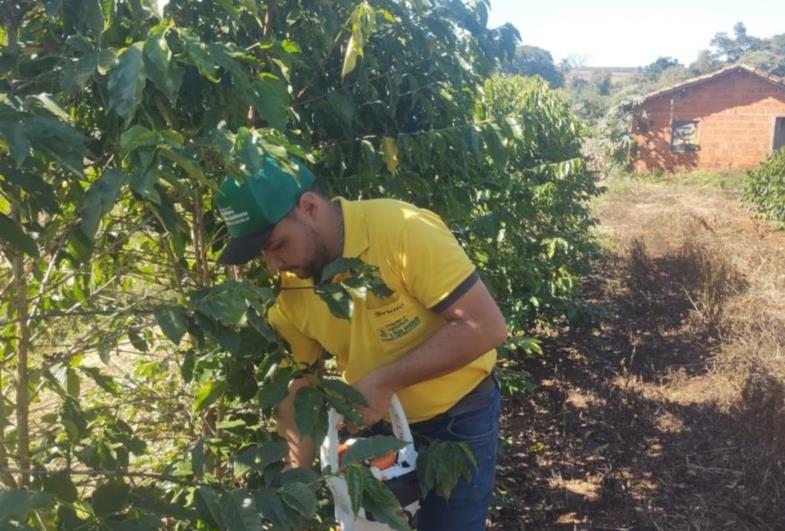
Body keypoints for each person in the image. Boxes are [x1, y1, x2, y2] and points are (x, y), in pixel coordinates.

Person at [215, 155, 507, 530]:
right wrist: (293, 485)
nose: (273, 264)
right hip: (377, 431)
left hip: (458, 419)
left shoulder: (402, 232)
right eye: (264, 254)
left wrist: (383, 382)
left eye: (277, 244)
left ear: (309, 207)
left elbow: (485, 327)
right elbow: (300, 386)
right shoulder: (292, 293)